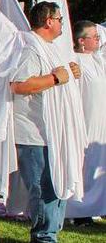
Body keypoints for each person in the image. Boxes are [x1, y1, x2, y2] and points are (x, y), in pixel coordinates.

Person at [10, 1, 82, 243]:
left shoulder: (50, 48)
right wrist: (54, 78)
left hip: (53, 133)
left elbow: (60, 76)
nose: (62, 24)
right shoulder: (30, 48)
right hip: (34, 134)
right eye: (60, 19)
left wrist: (70, 72)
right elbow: (19, 85)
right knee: (44, 189)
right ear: (49, 21)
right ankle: (44, 236)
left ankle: (50, 234)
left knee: (56, 186)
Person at [66, 20, 106, 225]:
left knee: (98, 164)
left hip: (101, 122)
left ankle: (98, 206)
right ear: (82, 41)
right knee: (84, 164)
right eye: (94, 37)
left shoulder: (98, 60)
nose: (98, 40)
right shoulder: (75, 61)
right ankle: (79, 210)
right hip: (85, 120)